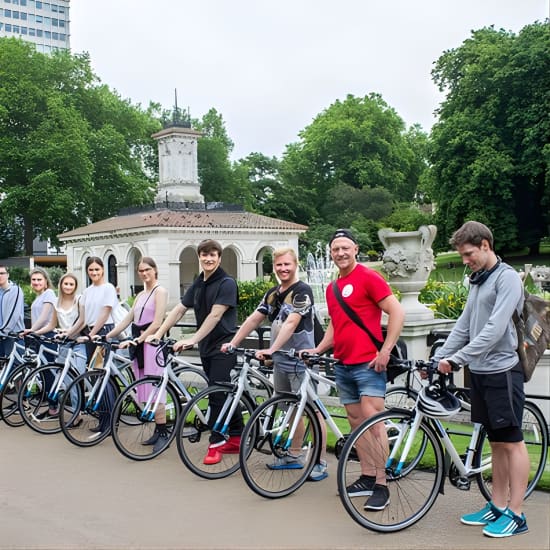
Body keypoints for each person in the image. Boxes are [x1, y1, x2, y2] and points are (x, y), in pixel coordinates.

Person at [431, 221, 529, 538]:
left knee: (512, 442)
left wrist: (456, 359)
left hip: (503, 371)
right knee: (496, 442)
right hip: (481, 373)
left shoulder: (508, 278)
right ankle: (497, 506)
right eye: (461, 255)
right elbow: (464, 325)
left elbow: (494, 330)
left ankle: (517, 514)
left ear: (485, 245)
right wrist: (438, 357)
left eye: (468, 254)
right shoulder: (478, 280)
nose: (465, 260)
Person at [302, 228, 405, 510]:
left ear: (356, 249)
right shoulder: (332, 287)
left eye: (345, 248)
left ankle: (382, 484)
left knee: (374, 422)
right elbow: (336, 325)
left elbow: (397, 311)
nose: (340, 253)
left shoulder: (369, 277)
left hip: (369, 363)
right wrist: (319, 349)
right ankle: (368, 475)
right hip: (343, 364)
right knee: (356, 421)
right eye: (335, 249)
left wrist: (385, 351)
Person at [221, 247, 329, 481]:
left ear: (296, 264)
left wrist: (271, 349)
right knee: (290, 408)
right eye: (279, 265)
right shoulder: (273, 293)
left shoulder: (302, 291)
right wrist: (233, 342)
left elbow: (291, 323)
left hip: (302, 360)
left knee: (313, 411)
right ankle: (294, 455)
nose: (283, 269)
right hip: (282, 361)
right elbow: (254, 318)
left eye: (287, 264)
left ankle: (320, 462)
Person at [147, 239, 239, 465]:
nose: (208, 259)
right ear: (199, 257)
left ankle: (216, 444)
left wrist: (192, 339)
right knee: (223, 392)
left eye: (213, 255)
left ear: (219, 257)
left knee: (217, 394)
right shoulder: (199, 283)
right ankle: (237, 436)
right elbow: (179, 310)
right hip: (207, 347)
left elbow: (215, 316)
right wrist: (159, 333)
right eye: (204, 255)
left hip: (223, 346)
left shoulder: (227, 283)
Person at [107, 257, 168, 453]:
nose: (144, 273)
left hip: (152, 344)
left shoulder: (161, 291)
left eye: (147, 269)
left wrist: (139, 340)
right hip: (139, 342)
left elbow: (158, 322)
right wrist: (107, 335)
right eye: (140, 270)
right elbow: (128, 318)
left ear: (155, 270)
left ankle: (163, 431)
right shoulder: (141, 294)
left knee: (155, 387)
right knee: (144, 387)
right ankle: (157, 431)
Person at [64, 257, 119, 434]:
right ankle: (103, 418)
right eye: (91, 270)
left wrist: (92, 334)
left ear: (103, 270)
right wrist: (68, 333)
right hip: (91, 333)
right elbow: (82, 319)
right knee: (95, 376)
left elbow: (105, 312)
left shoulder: (108, 288)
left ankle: (110, 421)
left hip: (102, 332)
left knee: (101, 375)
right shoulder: (87, 291)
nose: (94, 273)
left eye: (97, 269)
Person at [34, 272, 88, 415]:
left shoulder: (79, 300)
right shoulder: (56, 302)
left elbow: (83, 321)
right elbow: (52, 325)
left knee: (76, 380)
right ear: (61, 285)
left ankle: (77, 415)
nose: (68, 286)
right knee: (65, 380)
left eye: (71, 284)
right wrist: (34, 332)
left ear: (75, 286)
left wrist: (68, 333)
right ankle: (69, 411)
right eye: (66, 284)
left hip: (78, 344)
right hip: (64, 345)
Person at [20, 267, 58, 419]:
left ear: (46, 281)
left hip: (47, 336)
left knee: (48, 372)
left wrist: (30, 330)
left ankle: (54, 408)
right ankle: (51, 407)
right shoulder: (39, 296)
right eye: (33, 280)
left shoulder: (49, 294)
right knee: (42, 372)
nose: (36, 282)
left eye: (39, 280)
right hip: (38, 336)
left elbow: (43, 318)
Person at [0, 265, 25, 357]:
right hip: (1, 336)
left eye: (2, 273)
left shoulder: (15, 290)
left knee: (15, 369)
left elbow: (13, 316)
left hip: (13, 337)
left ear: (8, 275)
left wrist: (2, 331)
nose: (0, 276)